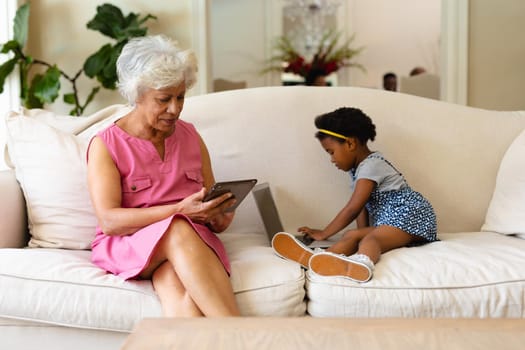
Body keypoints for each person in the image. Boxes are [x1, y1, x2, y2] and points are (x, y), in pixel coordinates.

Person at [87, 35, 240, 317]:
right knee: (178, 227)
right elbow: (109, 221)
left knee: (182, 297)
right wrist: (179, 211)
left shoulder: (191, 136)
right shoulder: (106, 144)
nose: (175, 108)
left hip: (187, 246)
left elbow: (207, 200)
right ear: (137, 95)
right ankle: (243, 336)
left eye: (180, 97)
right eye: (163, 99)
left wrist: (217, 215)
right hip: (129, 243)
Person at [271, 107, 437, 282]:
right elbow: (361, 209)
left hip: (410, 215)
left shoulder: (372, 166)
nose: (332, 159)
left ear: (350, 144)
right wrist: (359, 234)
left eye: (331, 152)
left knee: (371, 240)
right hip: (395, 220)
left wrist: (324, 234)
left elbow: (352, 208)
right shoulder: (359, 169)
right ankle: (318, 258)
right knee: (351, 235)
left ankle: (361, 266)